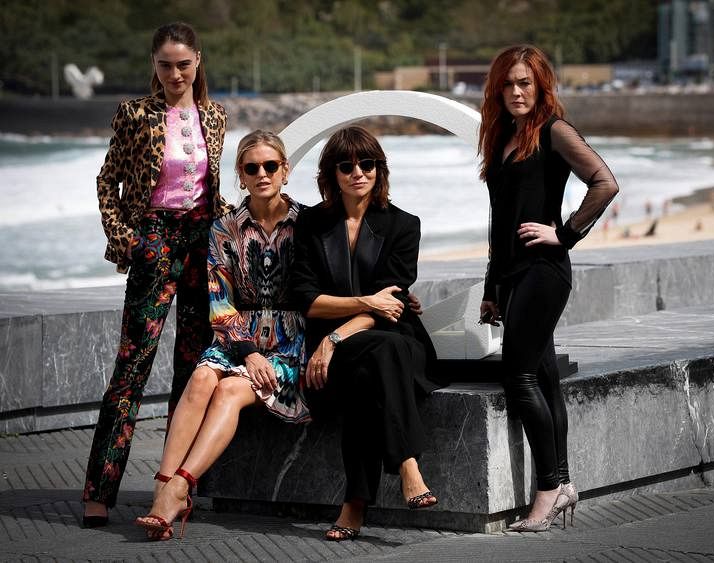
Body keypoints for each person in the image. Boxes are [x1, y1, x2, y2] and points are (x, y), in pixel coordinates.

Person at [82, 22, 230, 527]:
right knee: (132, 368)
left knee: (193, 370)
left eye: (183, 64)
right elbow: (108, 181)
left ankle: (176, 489)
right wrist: (126, 238)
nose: (175, 73)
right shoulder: (135, 114)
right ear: (154, 64)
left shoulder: (215, 116)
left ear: (198, 61)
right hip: (154, 242)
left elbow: (213, 189)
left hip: (202, 245)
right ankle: (99, 489)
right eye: (165, 64)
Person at [135, 130, 308, 540]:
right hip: (236, 337)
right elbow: (219, 298)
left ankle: (179, 488)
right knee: (200, 379)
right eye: (252, 168)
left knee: (230, 390)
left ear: (285, 171)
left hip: (289, 343)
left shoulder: (308, 224)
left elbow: (336, 273)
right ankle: (163, 488)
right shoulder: (224, 228)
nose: (262, 174)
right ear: (241, 176)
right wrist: (248, 352)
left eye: (271, 166)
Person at [478, 45, 619, 532]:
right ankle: (564, 483)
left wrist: (565, 234)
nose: (516, 92)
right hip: (513, 273)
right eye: (508, 84)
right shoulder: (502, 138)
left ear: (541, 87)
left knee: (517, 378)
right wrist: (491, 286)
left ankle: (547, 491)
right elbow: (500, 221)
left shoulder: (554, 130)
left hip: (544, 269)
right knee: (543, 379)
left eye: (525, 83)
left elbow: (604, 183)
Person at [292, 126, 444, 541]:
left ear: (380, 169)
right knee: (365, 374)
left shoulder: (403, 225)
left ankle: (357, 503)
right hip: (345, 356)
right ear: (332, 173)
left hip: (395, 342)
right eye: (346, 165)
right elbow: (307, 299)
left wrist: (333, 338)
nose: (358, 172)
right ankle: (407, 465)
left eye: (368, 164)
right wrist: (365, 302)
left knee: (384, 351)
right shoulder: (311, 224)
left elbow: (391, 306)